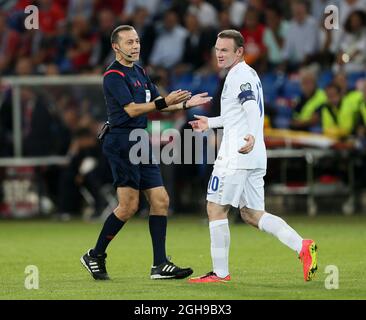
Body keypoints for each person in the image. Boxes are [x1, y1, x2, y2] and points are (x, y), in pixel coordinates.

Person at [80, 25, 212, 280]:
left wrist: (184, 104)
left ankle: (160, 265)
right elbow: (131, 109)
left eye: (137, 41)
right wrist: (165, 102)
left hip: (140, 141)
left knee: (161, 200)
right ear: (116, 47)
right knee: (129, 206)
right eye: (129, 42)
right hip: (122, 142)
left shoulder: (139, 71)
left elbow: (158, 105)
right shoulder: (113, 75)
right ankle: (95, 254)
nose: (135, 46)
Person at [188, 30, 318, 283]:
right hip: (253, 154)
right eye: (217, 49)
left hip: (237, 153)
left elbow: (249, 107)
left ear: (239, 52)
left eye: (225, 50)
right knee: (250, 213)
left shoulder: (238, 76)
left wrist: (250, 136)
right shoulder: (248, 74)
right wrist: (211, 123)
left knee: (215, 208)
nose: (219, 54)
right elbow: (237, 114)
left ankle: (220, 274)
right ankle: (303, 246)